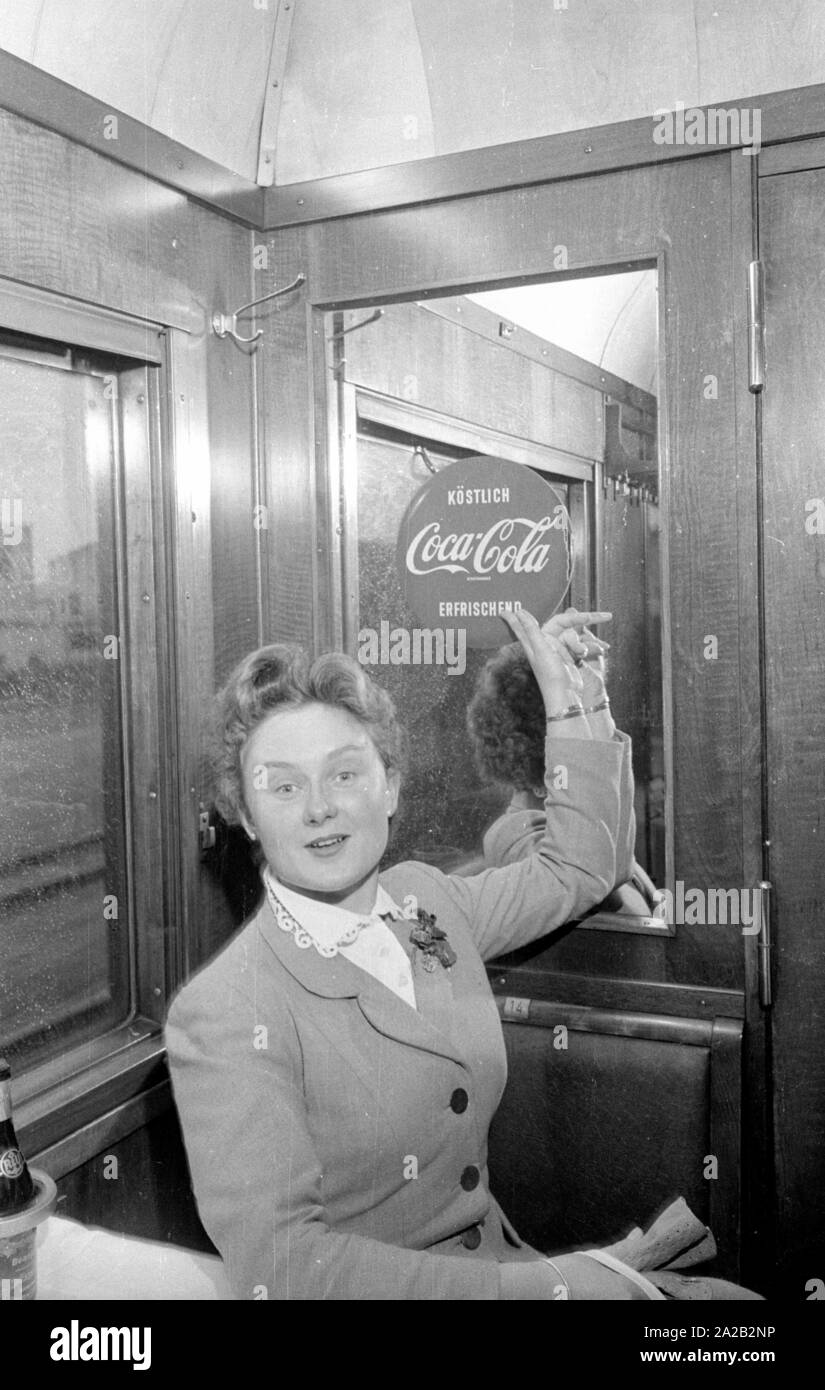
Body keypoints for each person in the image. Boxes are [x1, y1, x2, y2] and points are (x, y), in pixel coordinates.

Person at [165, 607, 661, 1300]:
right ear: (246, 816)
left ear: (390, 787)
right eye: (283, 786)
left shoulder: (427, 900)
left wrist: (575, 702)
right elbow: (285, 1268)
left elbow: (584, 865)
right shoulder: (222, 1010)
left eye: (344, 775)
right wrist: (550, 1289)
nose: (318, 809)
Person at [467, 629, 662, 917]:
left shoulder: (581, 827)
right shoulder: (514, 837)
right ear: (549, 765)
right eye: (587, 728)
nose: (602, 760)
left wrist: (595, 697)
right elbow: (600, 876)